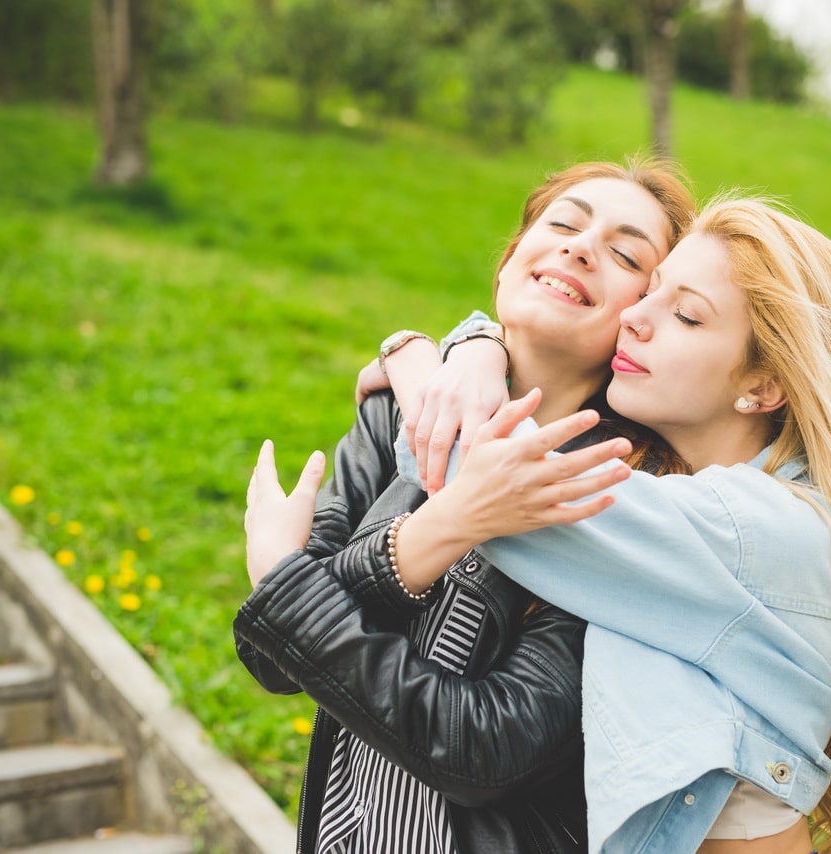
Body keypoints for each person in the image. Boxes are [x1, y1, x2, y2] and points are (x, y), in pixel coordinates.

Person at [345, 194, 831, 852]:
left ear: (762, 388)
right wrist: (474, 346)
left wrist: (417, 356)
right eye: (653, 291)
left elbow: (485, 478)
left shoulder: (750, 529)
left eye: (687, 316)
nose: (635, 319)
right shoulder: (732, 495)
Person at [234, 159, 697, 854]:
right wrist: (440, 524)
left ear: (643, 319)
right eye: (562, 223)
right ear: (509, 265)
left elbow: (487, 748)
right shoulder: (395, 409)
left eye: (626, 253)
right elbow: (273, 656)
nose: (579, 246)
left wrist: (286, 575)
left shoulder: (623, 492)